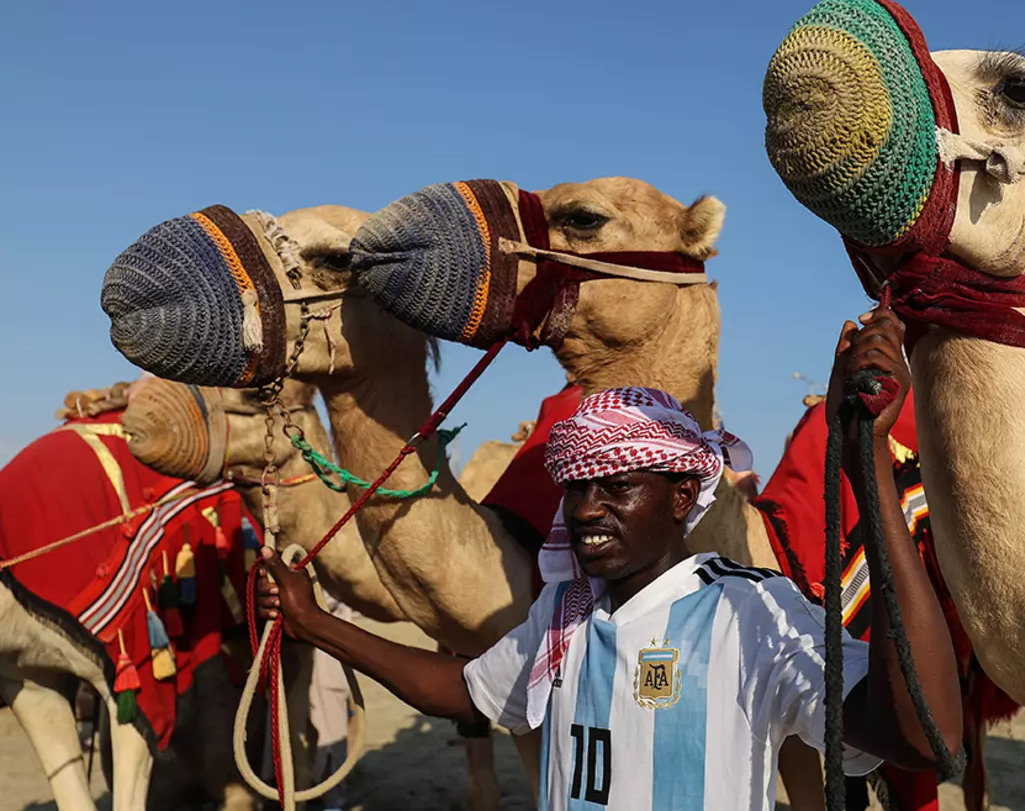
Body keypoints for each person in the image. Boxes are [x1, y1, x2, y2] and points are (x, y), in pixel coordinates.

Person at [254, 307, 963, 810]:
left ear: (684, 493)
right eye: (578, 486)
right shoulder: (563, 616)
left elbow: (920, 735)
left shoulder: (752, 611)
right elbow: (464, 689)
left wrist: (867, 462)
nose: (586, 508)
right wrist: (314, 624)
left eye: (617, 485)